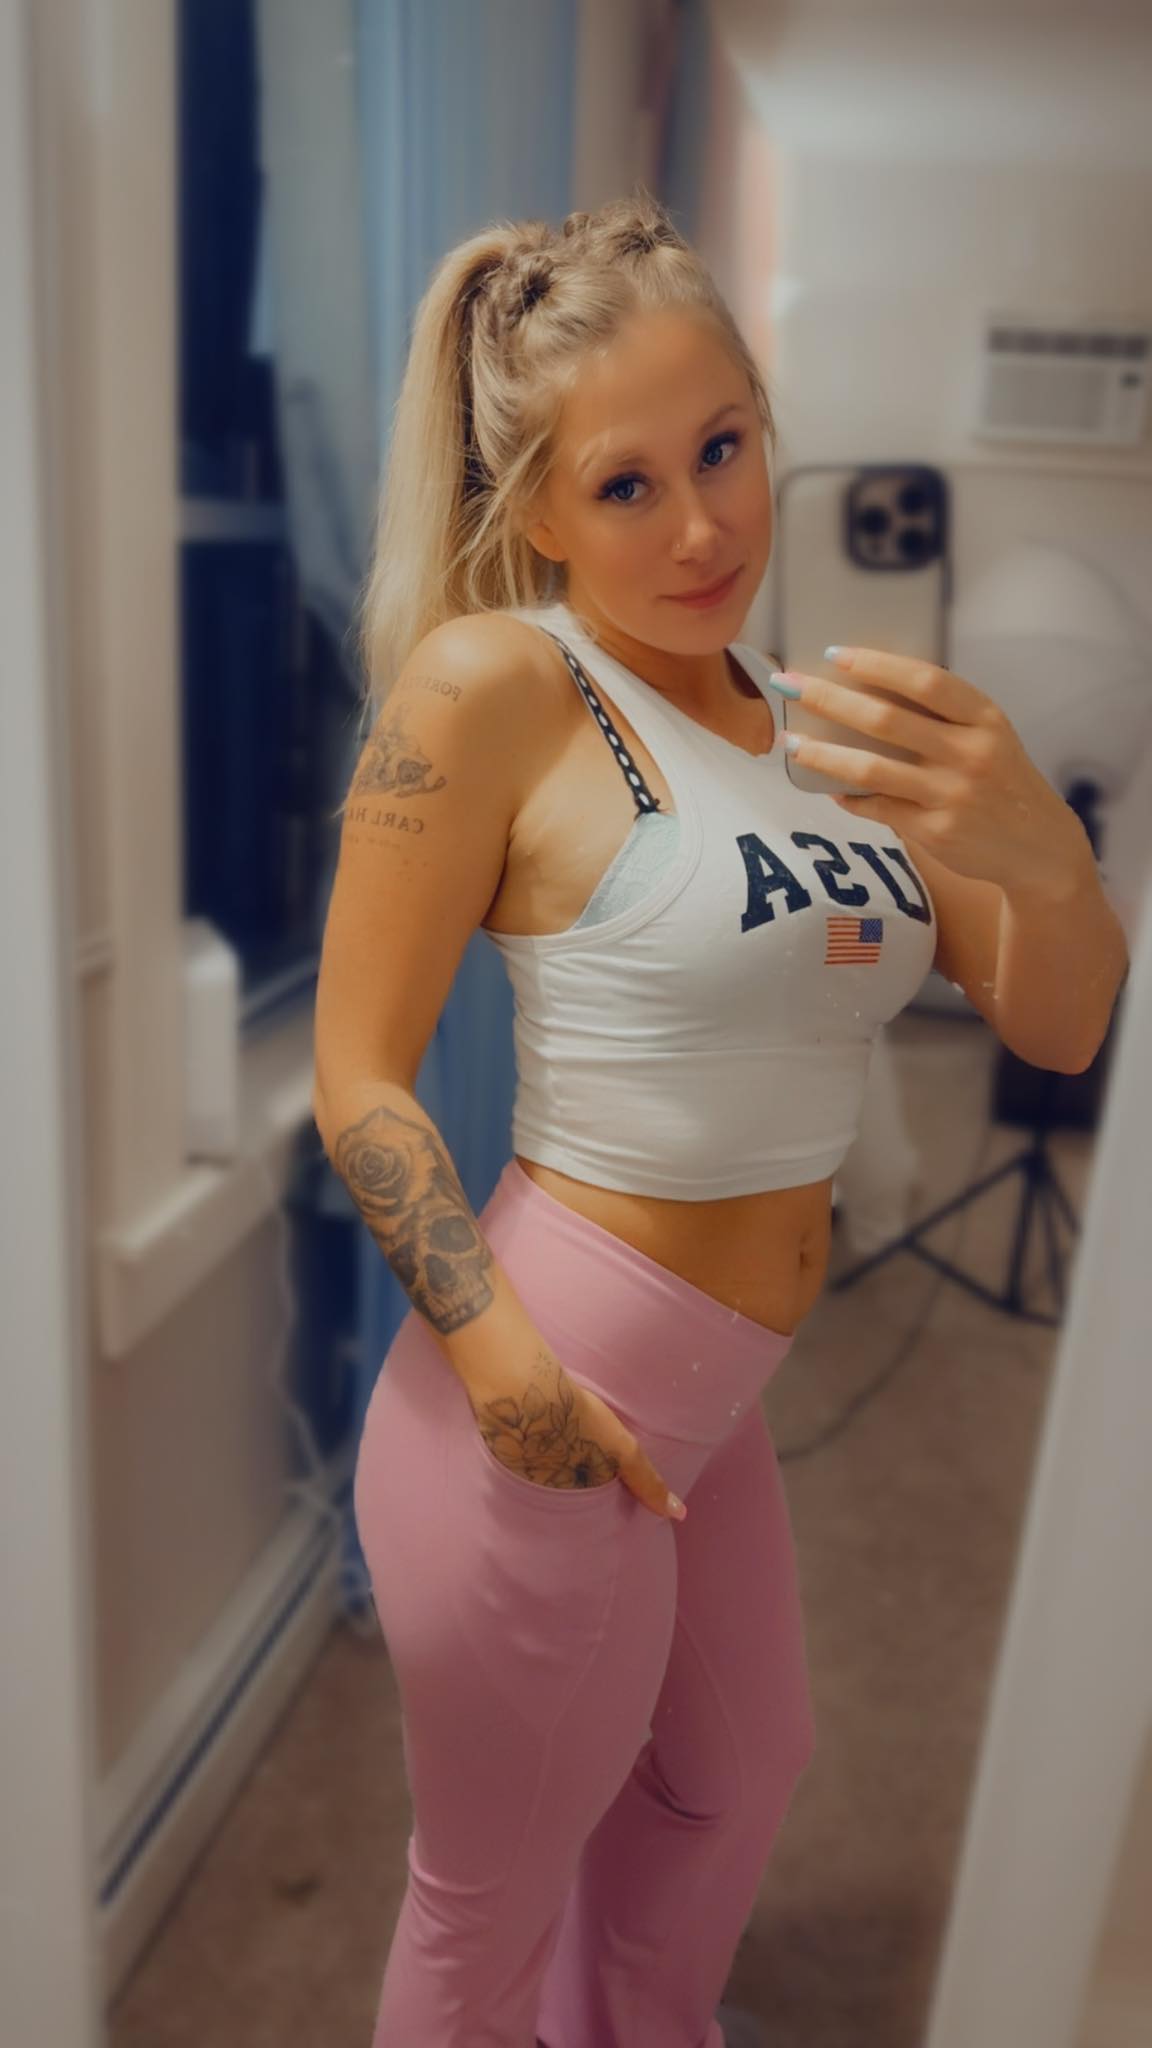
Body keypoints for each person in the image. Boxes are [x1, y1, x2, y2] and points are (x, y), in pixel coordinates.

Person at [312, 188, 1124, 2048]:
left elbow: (1062, 1020)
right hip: (542, 1402)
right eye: (625, 485)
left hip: (714, 1401)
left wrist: (1045, 852)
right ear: (535, 511)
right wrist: (505, 1370)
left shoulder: (828, 723)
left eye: (726, 449)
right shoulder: (500, 684)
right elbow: (359, 1072)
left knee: (734, 1787)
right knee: (489, 1900)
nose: (700, 526)